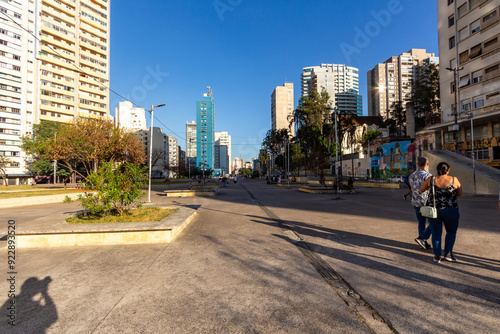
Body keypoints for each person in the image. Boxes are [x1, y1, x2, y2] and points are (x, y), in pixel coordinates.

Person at [420, 162, 463, 263]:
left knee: (436, 232)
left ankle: (437, 256)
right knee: (451, 232)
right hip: (451, 210)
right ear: (448, 170)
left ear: (437, 169)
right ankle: (448, 254)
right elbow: (460, 193)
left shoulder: (431, 179)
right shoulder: (454, 179)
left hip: (434, 211)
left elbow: (421, 190)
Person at [409, 157, 432, 250]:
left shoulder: (412, 175)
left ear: (417, 164)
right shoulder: (428, 176)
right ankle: (422, 238)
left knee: (421, 223)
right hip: (426, 202)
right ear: (427, 164)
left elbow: (411, 188)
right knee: (433, 222)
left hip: (415, 201)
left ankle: (423, 242)